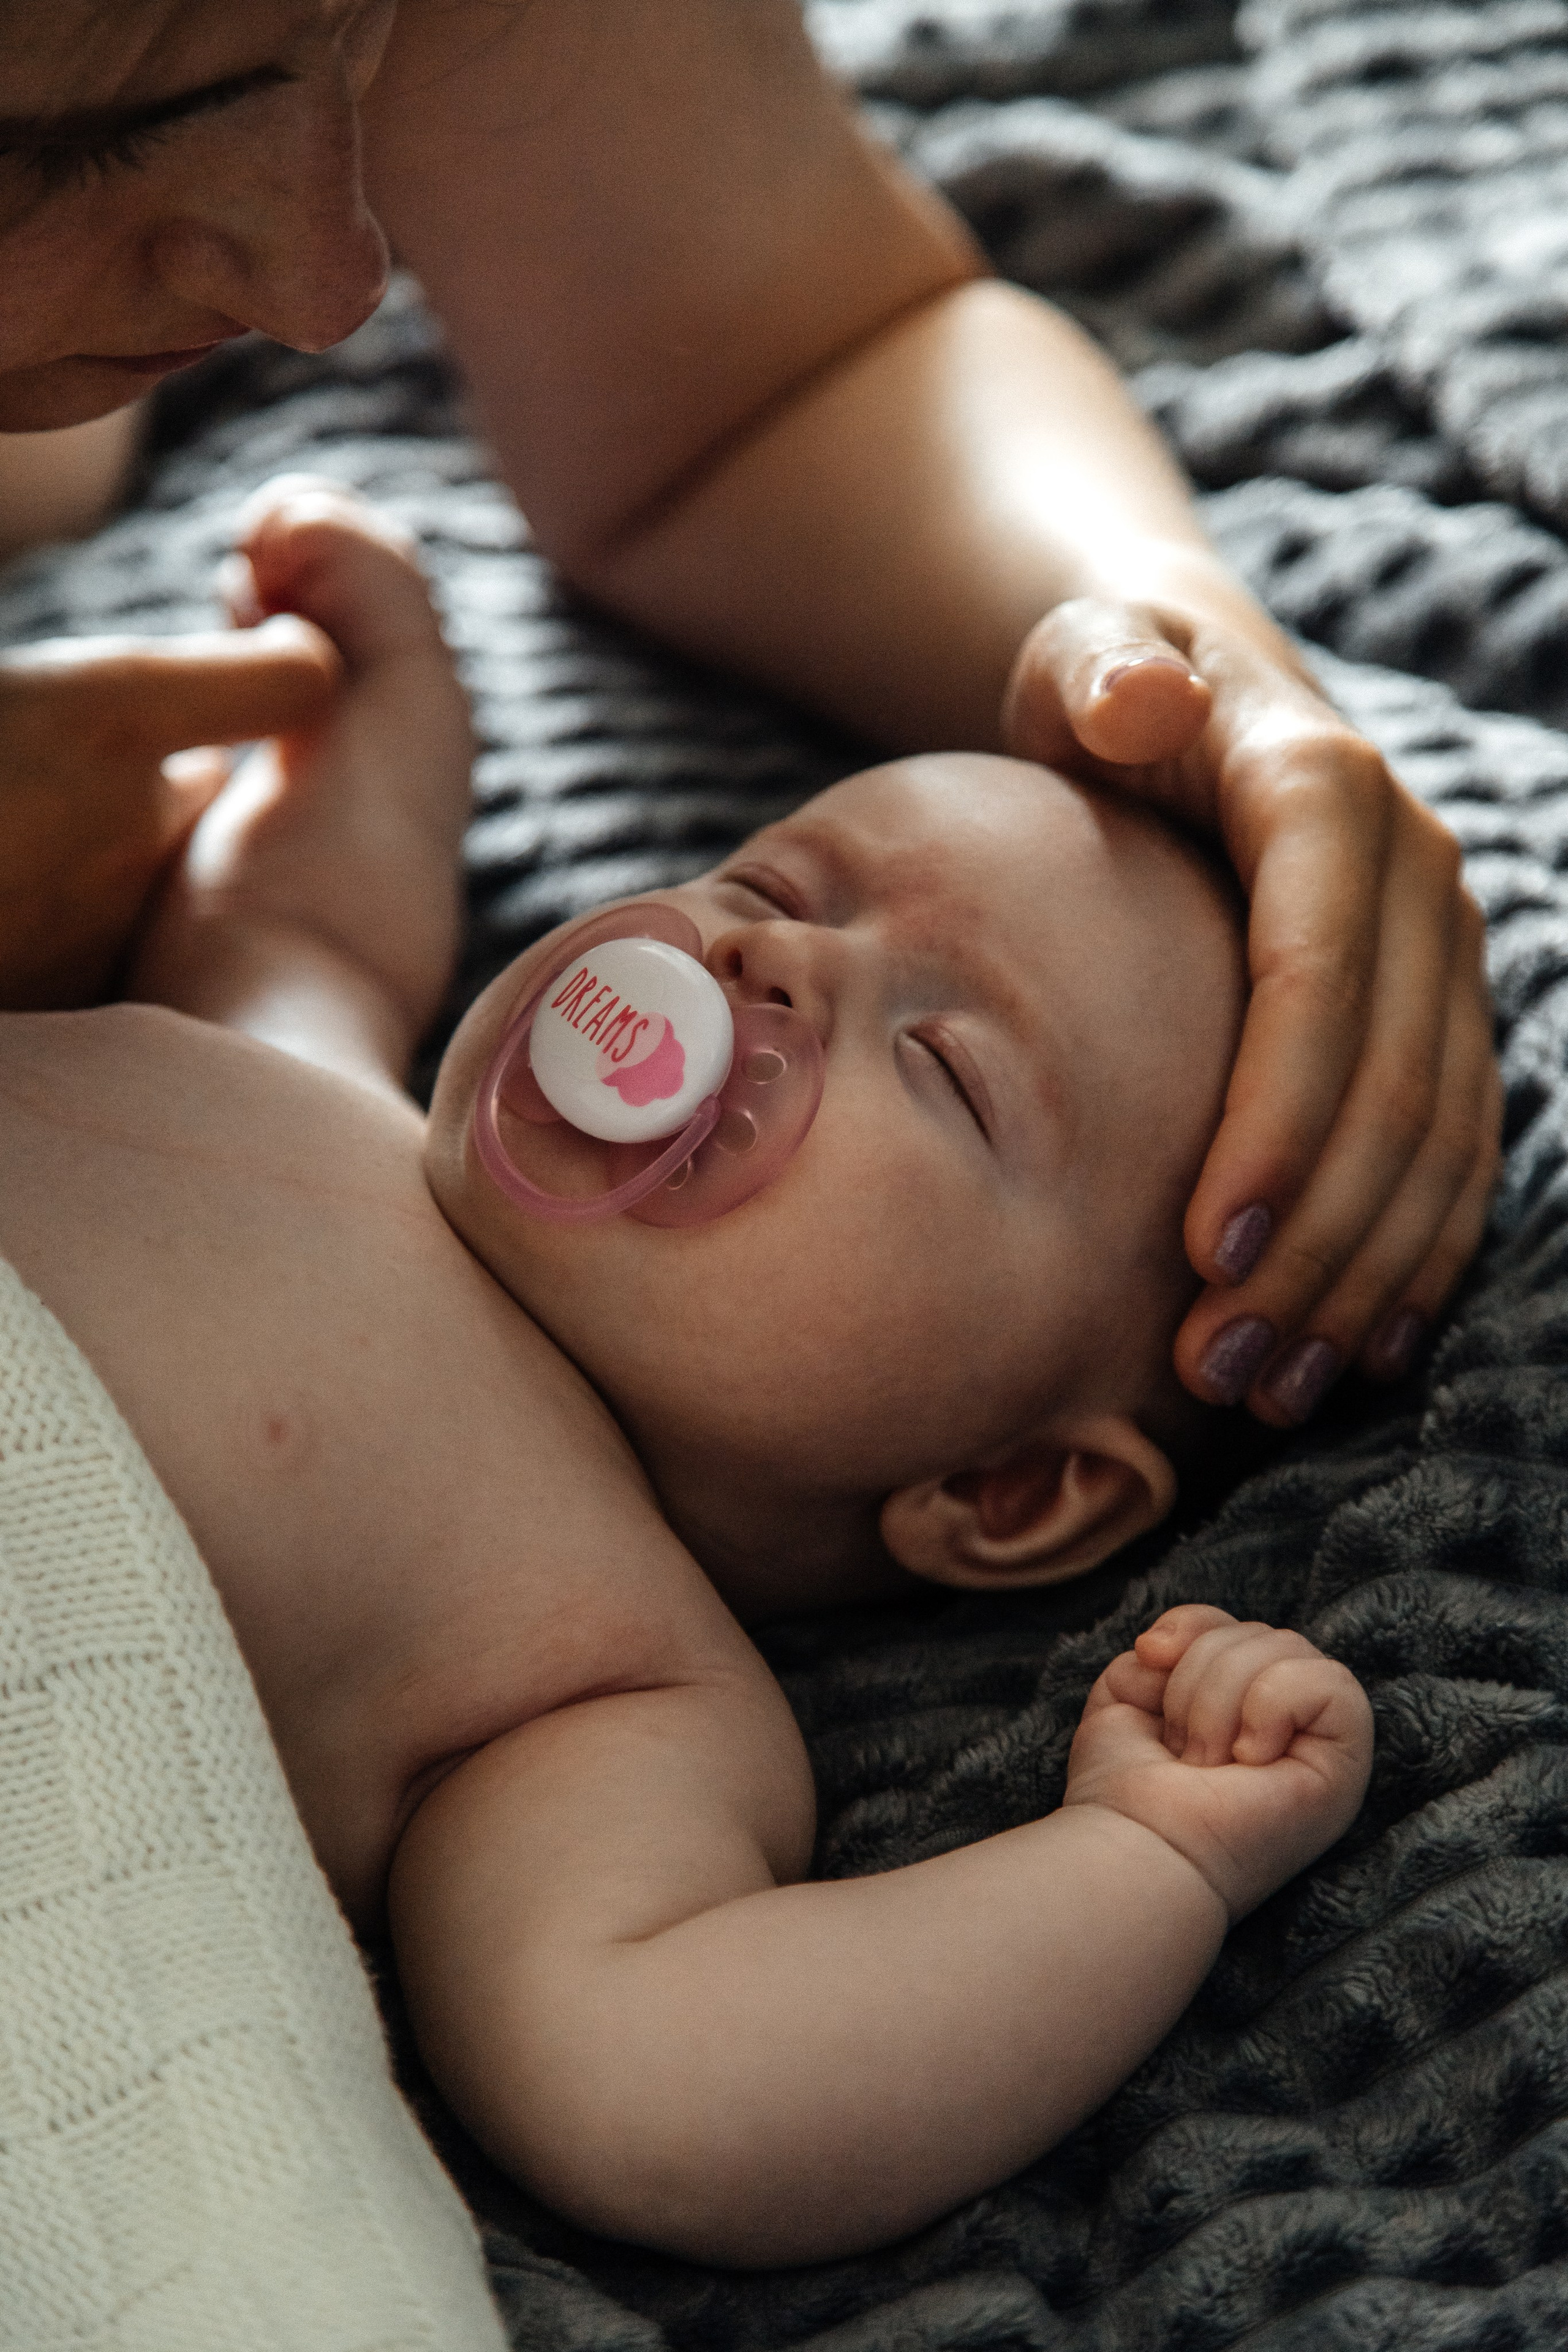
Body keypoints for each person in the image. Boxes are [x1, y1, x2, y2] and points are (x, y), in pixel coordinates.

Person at [0, 479, 1376, 2267]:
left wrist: (1146, 1859)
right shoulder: (327, 1083)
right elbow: (303, 927)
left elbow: (652, 2081)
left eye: (943, 1068)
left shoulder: (604, 1681)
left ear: (1006, 1490)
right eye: (771, 884)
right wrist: (390, 697)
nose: (764, 959)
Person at [0, 0, 1498, 1430]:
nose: (332, 291)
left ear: (1010, 1500)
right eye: (56, 153)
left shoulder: (532, 1536)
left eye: (354, 29)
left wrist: (1173, 664)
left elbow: (775, 375)